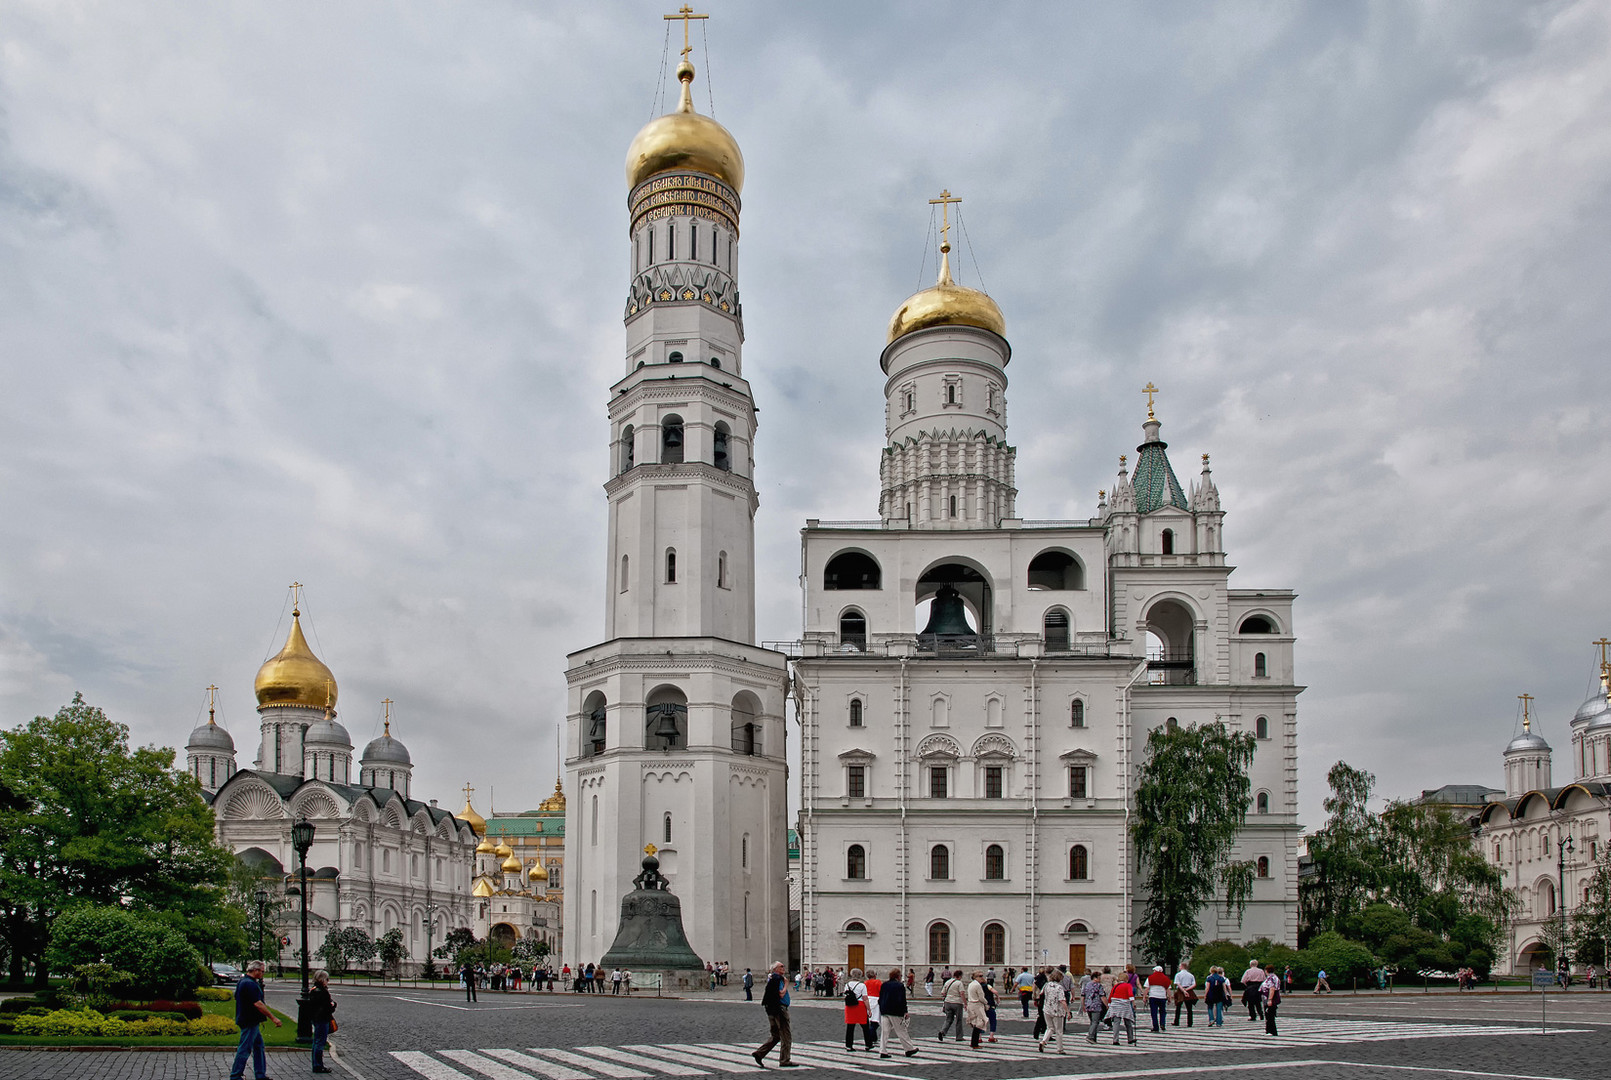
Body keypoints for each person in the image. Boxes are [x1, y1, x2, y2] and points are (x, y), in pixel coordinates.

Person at [229, 960, 282, 1080]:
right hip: (249, 1021)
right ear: (256, 970)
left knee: (258, 1046)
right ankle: (236, 1075)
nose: (263, 973)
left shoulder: (243, 981)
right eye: (262, 971)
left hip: (248, 1019)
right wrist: (273, 1018)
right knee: (245, 1048)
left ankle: (260, 1074)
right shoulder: (250, 984)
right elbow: (258, 1004)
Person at [754, 960, 799, 1068]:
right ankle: (784, 1060)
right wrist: (786, 984)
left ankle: (760, 1053)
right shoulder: (778, 979)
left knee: (775, 1036)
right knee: (786, 1036)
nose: (784, 968)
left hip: (771, 1010)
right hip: (780, 1010)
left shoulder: (772, 979)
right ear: (775, 969)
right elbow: (781, 994)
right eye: (781, 966)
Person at [877, 968, 920, 1058]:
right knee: (901, 1031)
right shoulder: (899, 986)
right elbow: (902, 1000)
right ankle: (908, 1049)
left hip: (884, 1010)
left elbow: (880, 997)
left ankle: (883, 1050)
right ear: (897, 976)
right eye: (900, 976)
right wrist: (905, 1011)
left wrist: (881, 1007)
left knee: (884, 1032)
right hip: (895, 1011)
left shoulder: (884, 984)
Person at [308, 969, 337, 1074]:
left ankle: (316, 1064)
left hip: (315, 1018)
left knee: (316, 1042)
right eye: (327, 979)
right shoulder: (323, 992)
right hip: (322, 1018)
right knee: (320, 1042)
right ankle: (318, 1065)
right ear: (323, 979)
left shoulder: (313, 990)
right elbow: (327, 1007)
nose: (327, 981)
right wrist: (333, 1005)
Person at [843, 967, 874, 1051]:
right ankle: (868, 1044)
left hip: (850, 1006)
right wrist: (869, 1009)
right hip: (860, 1006)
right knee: (865, 1026)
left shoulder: (847, 985)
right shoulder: (862, 985)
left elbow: (845, 995)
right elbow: (865, 998)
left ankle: (849, 1045)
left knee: (850, 1027)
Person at [1038, 971, 1068, 1053]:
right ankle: (1060, 1049)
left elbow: (1041, 993)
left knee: (1050, 1027)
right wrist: (1068, 1011)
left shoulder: (1046, 985)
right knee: (1059, 1031)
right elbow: (1062, 1000)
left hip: (1047, 1009)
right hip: (1057, 1010)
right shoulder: (1059, 987)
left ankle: (1043, 1041)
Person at [1107, 975, 1137, 1045]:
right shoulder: (1128, 985)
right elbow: (1130, 994)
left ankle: (1115, 1040)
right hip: (1124, 1004)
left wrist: (1109, 1004)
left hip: (1115, 1004)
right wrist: (1133, 1003)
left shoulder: (1116, 986)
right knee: (1128, 1021)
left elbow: (1111, 995)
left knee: (1116, 1022)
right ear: (1126, 979)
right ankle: (1130, 1038)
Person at [937, 969, 967, 1042]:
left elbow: (943, 993)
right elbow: (962, 993)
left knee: (948, 1019)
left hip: (947, 1002)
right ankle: (959, 1036)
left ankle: (943, 1031)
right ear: (960, 976)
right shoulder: (959, 983)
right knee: (958, 1020)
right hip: (957, 1003)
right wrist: (965, 1003)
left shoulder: (948, 982)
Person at [1080, 969, 1107, 1043]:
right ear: (1095, 978)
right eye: (1099, 978)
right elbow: (1102, 996)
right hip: (1096, 1005)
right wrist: (1107, 1005)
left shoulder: (1087, 985)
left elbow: (1083, 995)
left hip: (1088, 1005)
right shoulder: (1098, 986)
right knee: (1095, 1022)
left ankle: (1094, 1038)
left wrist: (1083, 1005)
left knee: (1092, 1022)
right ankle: (1090, 1036)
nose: (1100, 979)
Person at [965, 971, 990, 1049]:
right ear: (975, 977)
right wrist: (986, 1003)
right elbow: (981, 997)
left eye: (982, 976)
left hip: (971, 1004)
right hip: (977, 1005)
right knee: (980, 1023)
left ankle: (974, 1042)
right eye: (980, 976)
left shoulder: (971, 984)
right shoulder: (977, 985)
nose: (982, 977)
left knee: (976, 1023)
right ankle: (974, 1043)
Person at [1145, 965, 1171, 1032]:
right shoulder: (1166, 978)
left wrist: (1144, 996)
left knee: (1154, 1012)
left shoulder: (1150, 978)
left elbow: (1147, 988)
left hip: (1153, 996)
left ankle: (1155, 1027)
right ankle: (1162, 1023)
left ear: (1155, 971)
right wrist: (1169, 998)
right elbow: (1168, 989)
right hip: (1162, 997)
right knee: (1162, 1011)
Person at [1172, 961, 1197, 1027]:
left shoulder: (1178, 974)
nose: (1179, 967)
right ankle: (1190, 1023)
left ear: (1182, 967)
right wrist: (1187, 989)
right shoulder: (1190, 975)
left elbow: (1178, 983)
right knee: (1189, 1008)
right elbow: (1194, 984)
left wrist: (1183, 990)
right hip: (1189, 990)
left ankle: (1176, 1021)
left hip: (1180, 990)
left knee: (1178, 1006)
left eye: (1180, 966)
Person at [864, 970, 883, 1047]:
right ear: (874, 975)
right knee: (875, 1021)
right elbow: (881, 992)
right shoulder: (878, 982)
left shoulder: (865, 983)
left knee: (870, 1019)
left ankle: (874, 1037)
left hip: (868, 1000)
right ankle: (871, 1036)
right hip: (876, 1000)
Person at [1261, 968, 1282, 1036]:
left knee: (1269, 1015)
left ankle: (1271, 1031)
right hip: (1270, 998)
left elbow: (1272, 988)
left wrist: (1270, 999)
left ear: (1266, 971)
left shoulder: (1271, 978)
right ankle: (1270, 1030)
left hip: (1269, 998)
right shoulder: (1274, 977)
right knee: (1270, 1014)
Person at [981, 975, 997, 1043]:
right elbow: (995, 992)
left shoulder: (977, 986)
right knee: (993, 1020)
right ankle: (991, 1036)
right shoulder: (987, 986)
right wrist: (998, 998)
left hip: (981, 1005)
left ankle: (979, 1037)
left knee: (981, 1021)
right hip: (989, 1004)